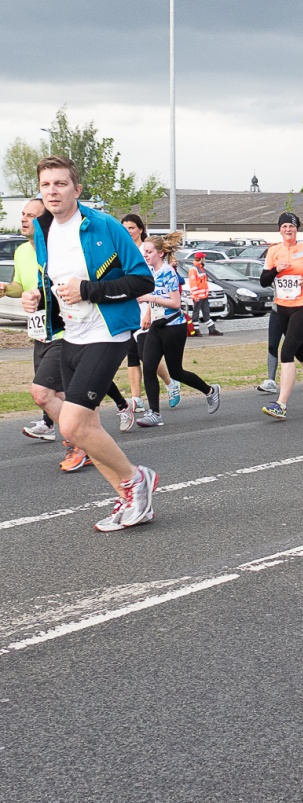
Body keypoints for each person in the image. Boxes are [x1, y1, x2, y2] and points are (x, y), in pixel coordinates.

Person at [22, 155, 158, 531]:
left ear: (77, 190)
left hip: (108, 332)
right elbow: (54, 281)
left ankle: (136, 478)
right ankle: (132, 500)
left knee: (73, 425)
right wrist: (37, 295)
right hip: (71, 334)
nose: (53, 191)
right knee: (89, 428)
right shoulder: (43, 229)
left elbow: (142, 282)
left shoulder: (103, 226)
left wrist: (89, 290)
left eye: (60, 183)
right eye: (46, 185)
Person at [134, 234, 221, 427]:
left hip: (173, 327)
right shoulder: (150, 271)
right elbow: (152, 295)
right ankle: (154, 413)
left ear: (160, 253)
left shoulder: (168, 272)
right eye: (144, 252)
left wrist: (151, 298)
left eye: (149, 252)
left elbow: (174, 303)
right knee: (148, 367)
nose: (145, 255)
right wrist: (148, 309)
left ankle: (210, 391)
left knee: (176, 372)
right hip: (156, 327)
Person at [259, 212, 303, 419]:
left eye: (291, 226)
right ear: (279, 229)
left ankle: (281, 404)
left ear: (296, 229)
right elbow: (264, 281)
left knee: (286, 351)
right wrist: (275, 270)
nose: (288, 230)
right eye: (284, 227)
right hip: (282, 308)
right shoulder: (273, 251)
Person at [2, 198, 58, 444]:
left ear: (44, 220)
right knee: (53, 390)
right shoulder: (22, 250)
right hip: (38, 328)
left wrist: (41, 294)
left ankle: (80, 440)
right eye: (23, 214)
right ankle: (52, 425)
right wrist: (6, 289)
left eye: (31, 216)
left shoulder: (58, 248)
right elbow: (21, 286)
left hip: (62, 329)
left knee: (44, 390)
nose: (23, 219)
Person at [121, 214, 176, 412]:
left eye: (131, 228)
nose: (128, 232)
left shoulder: (146, 250)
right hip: (129, 305)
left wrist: (148, 314)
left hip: (147, 307)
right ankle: (137, 398)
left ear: (140, 229)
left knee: (146, 355)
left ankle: (171, 383)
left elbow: (154, 284)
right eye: (124, 228)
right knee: (131, 354)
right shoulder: (121, 249)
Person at [187, 252, 223, 337]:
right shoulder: (194, 269)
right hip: (198, 296)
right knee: (196, 313)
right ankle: (196, 330)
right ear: (201, 259)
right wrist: (196, 296)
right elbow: (193, 284)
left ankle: (212, 330)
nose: (205, 259)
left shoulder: (201, 268)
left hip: (204, 296)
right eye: (204, 258)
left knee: (206, 313)